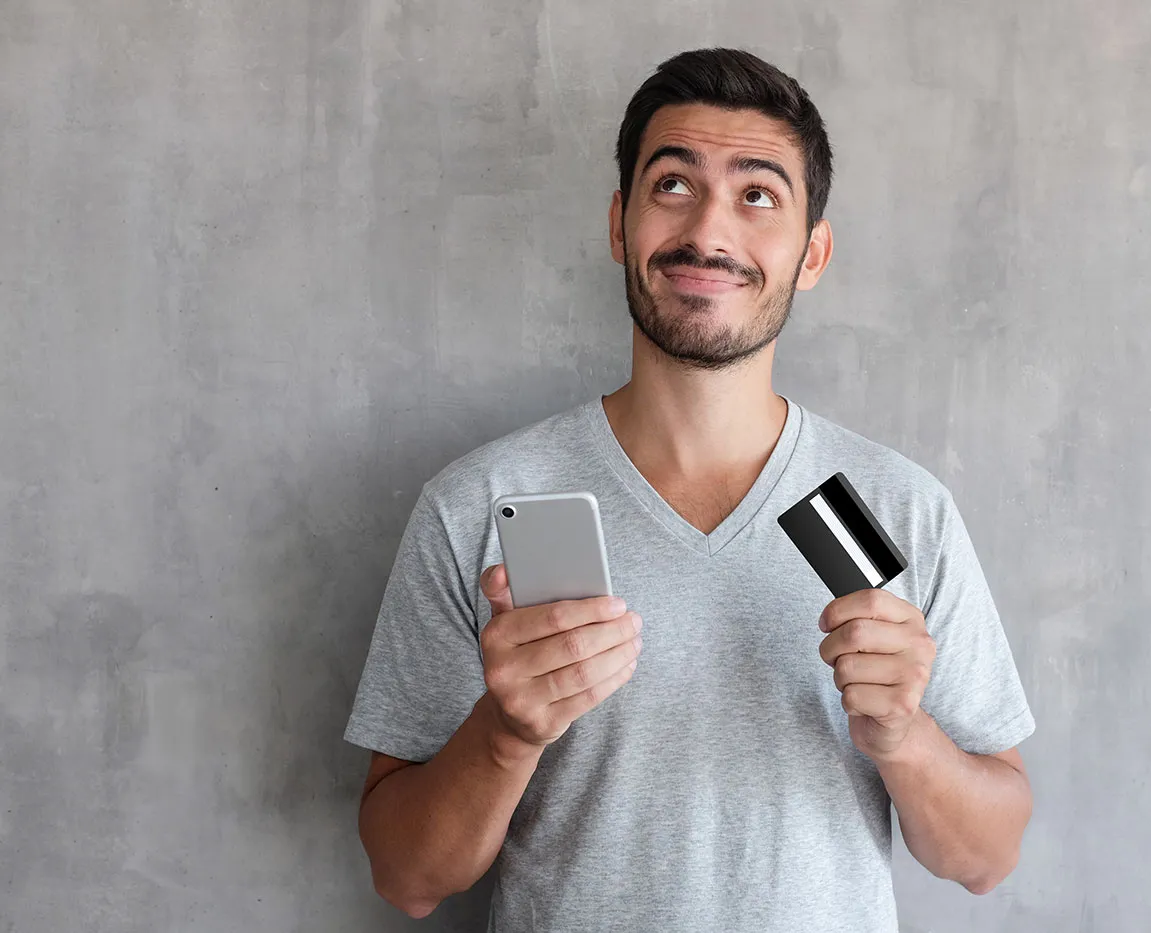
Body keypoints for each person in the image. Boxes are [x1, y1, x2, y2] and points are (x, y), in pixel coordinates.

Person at [343, 47, 1035, 932]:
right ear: (617, 224)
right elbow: (406, 877)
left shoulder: (905, 509)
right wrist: (506, 732)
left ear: (813, 251)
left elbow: (985, 859)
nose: (709, 233)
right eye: (673, 184)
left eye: (757, 195)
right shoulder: (477, 503)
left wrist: (906, 736)